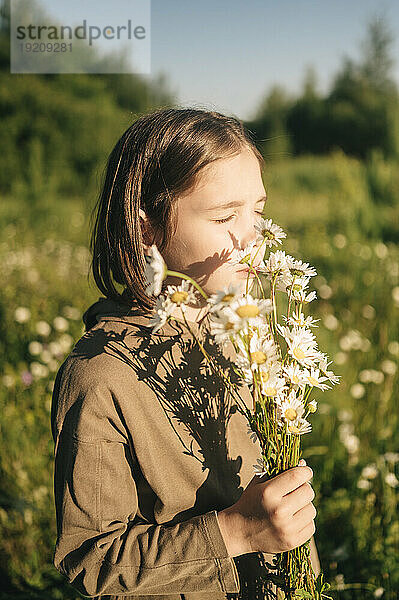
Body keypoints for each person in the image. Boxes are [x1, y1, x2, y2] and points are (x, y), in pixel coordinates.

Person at [51, 107, 320, 600]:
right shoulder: (101, 377)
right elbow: (90, 561)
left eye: (258, 211)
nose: (252, 236)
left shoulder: (246, 334)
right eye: (226, 216)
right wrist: (236, 533)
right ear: (146, 229)